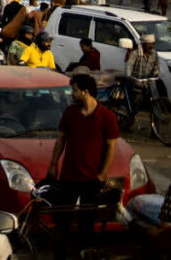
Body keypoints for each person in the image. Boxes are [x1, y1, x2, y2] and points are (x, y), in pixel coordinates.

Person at [46, 73, 118, 240]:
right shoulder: (70, 113)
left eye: (75, 90)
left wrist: (101, 175)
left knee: (87, 224)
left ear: (85, 92)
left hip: (91, 180)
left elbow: (111, 147)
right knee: (62, 221)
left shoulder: (107, 116)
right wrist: (53, 163)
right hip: (68, 177)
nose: (72, 94)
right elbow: (61, 140)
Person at [126, 33, 160, 107]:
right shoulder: (136, 53)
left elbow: (156, 66)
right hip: (138, 81)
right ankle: (132, 115)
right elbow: (130, 64)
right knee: (137, 101)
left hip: (149, 81)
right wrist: (129, 75)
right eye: (148, 44)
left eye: (152, 44)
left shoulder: (154, 54)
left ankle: (158, 117)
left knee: (155, 100)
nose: (151, 46)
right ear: (143, 44)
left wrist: (155, 74)